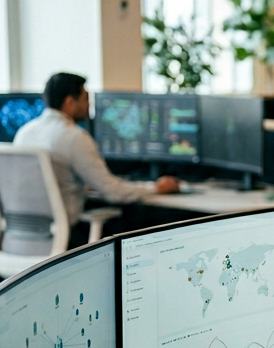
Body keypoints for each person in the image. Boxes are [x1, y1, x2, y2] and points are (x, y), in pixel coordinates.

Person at [13, 73, 179, 246]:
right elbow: (114, 192)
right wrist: (156, 188)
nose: (89, 105)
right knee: (138, 221)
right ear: (70, 102)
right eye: (85, 99)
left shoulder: (25, 133)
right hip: (65, 240)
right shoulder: (74, 137)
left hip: (21, 240)